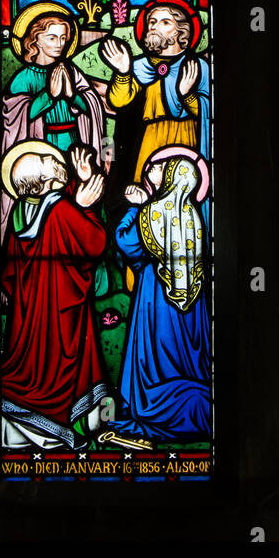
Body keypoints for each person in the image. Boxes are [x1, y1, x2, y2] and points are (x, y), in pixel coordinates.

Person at [0, 141, 109, 451]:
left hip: (29, 311)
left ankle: (17, 431)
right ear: (44, 181)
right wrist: (85, 206)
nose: (55, 157)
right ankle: (48, 430)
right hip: (61, 307)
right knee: (55, 366)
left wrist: (82, 182)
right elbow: (95, 243)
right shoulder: (60, 210)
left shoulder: (21, 212)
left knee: (31, 363)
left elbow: (10, 266)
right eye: (47, 159)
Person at [100, 149, 210, 451]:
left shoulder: (152, 211)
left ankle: (153, 406)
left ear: (172, 177)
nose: (155, 167)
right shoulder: (193, 217)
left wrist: (135, 207)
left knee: (153, 356)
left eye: (164, 166)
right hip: (192, 304)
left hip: (155, 298)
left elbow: (125, 241)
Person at [0, 2, 104, 237]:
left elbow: (91, 106)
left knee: (77, 197)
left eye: (63, 38)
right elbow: (14, 117)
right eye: (52, 38)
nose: (59, 44)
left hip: (75, 145)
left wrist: (72, 96)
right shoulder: (23, 78)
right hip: (42, 148)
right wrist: (49, 95)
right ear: (34, 40)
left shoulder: (72, 71)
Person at [102, 0, 210, 187]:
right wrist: (123, 72)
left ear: (181, 31)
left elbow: (209, 112)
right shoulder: (139, 66)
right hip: (148, 141)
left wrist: (187, 96)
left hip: (187, 139)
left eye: (165, 22)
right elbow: (118, 102)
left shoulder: (198, 67)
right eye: (152, 22)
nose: (154, 26)